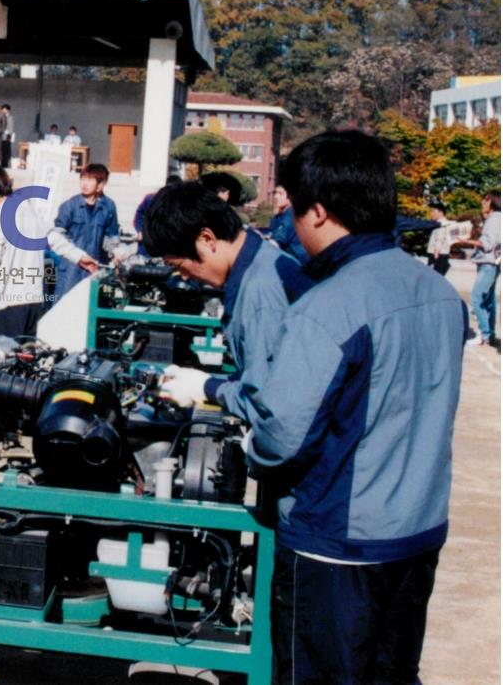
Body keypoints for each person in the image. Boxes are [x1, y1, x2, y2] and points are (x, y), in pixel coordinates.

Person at [161, 130, 465, 685]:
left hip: (338, 543)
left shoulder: (331, 305)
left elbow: (281, 437)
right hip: (418, 530)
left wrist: (249, 445)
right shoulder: (440, 294)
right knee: (392, 674)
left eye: (296, 211)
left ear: (319, 212)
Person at [145, 182, 311, 415]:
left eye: (179, 265)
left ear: (207, 239)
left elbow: (267, 405)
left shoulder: (260, 292)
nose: (184, 276)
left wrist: (207, 387)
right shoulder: (260, 261)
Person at [0, 165, 47, 337]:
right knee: (27, 358)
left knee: (3, 358)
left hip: (8, 301)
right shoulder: (28, 210)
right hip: (34, 299)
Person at [48, 163, 119, 301]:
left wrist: (115, 254)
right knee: (63, 306)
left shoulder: (108, 206)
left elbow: (112, 236)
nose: (84, 183)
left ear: (101, 184)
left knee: (89, 307)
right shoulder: (69, 206)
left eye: (90, 180)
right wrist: (75, 255)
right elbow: (56, 235)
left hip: (94, 267)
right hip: (70, 268)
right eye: (83, 178)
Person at [463, 190, 500, 347]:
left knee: (477, 298)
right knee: (489, 300)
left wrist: (465, 240)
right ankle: (489, 334)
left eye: (485, 201)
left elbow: (487, 243)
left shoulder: (493, 219)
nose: (482, 203)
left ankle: (484, 334)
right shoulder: (498, 218)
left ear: (492, 202)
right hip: (493, 263)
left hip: (488, 263)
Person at [134, 174, 182, 256]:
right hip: (147, 244)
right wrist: (140, 230)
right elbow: (139, 215)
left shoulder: (180, 204)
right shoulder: (150, 199)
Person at [268, 182, 308, 264]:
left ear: (290, 196)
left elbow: (275, 243)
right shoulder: (277, 217)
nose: (276, 196)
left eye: (280, 193)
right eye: (275, 193)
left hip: (297, 263)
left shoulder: (291, 216)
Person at [425, 201, 454, 276]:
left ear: (441, 212)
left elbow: (440, 238)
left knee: (435, 280)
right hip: (441, 255)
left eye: (434, 211)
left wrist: (436, 253)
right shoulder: (444, 223)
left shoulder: (441, 224)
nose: (431, 213)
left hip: (437, 255)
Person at [0, 103, 15, 168]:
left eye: (5, 110)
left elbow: (10, 128)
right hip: (1, 136)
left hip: (6, 137)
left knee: (5, 150)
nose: (3, 111)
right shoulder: (1, 116)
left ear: (8, 110)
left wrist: (8, 135)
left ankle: (5, 164)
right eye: (3, 110)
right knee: (1, 150)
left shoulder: (10, 117)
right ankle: (1, 163)